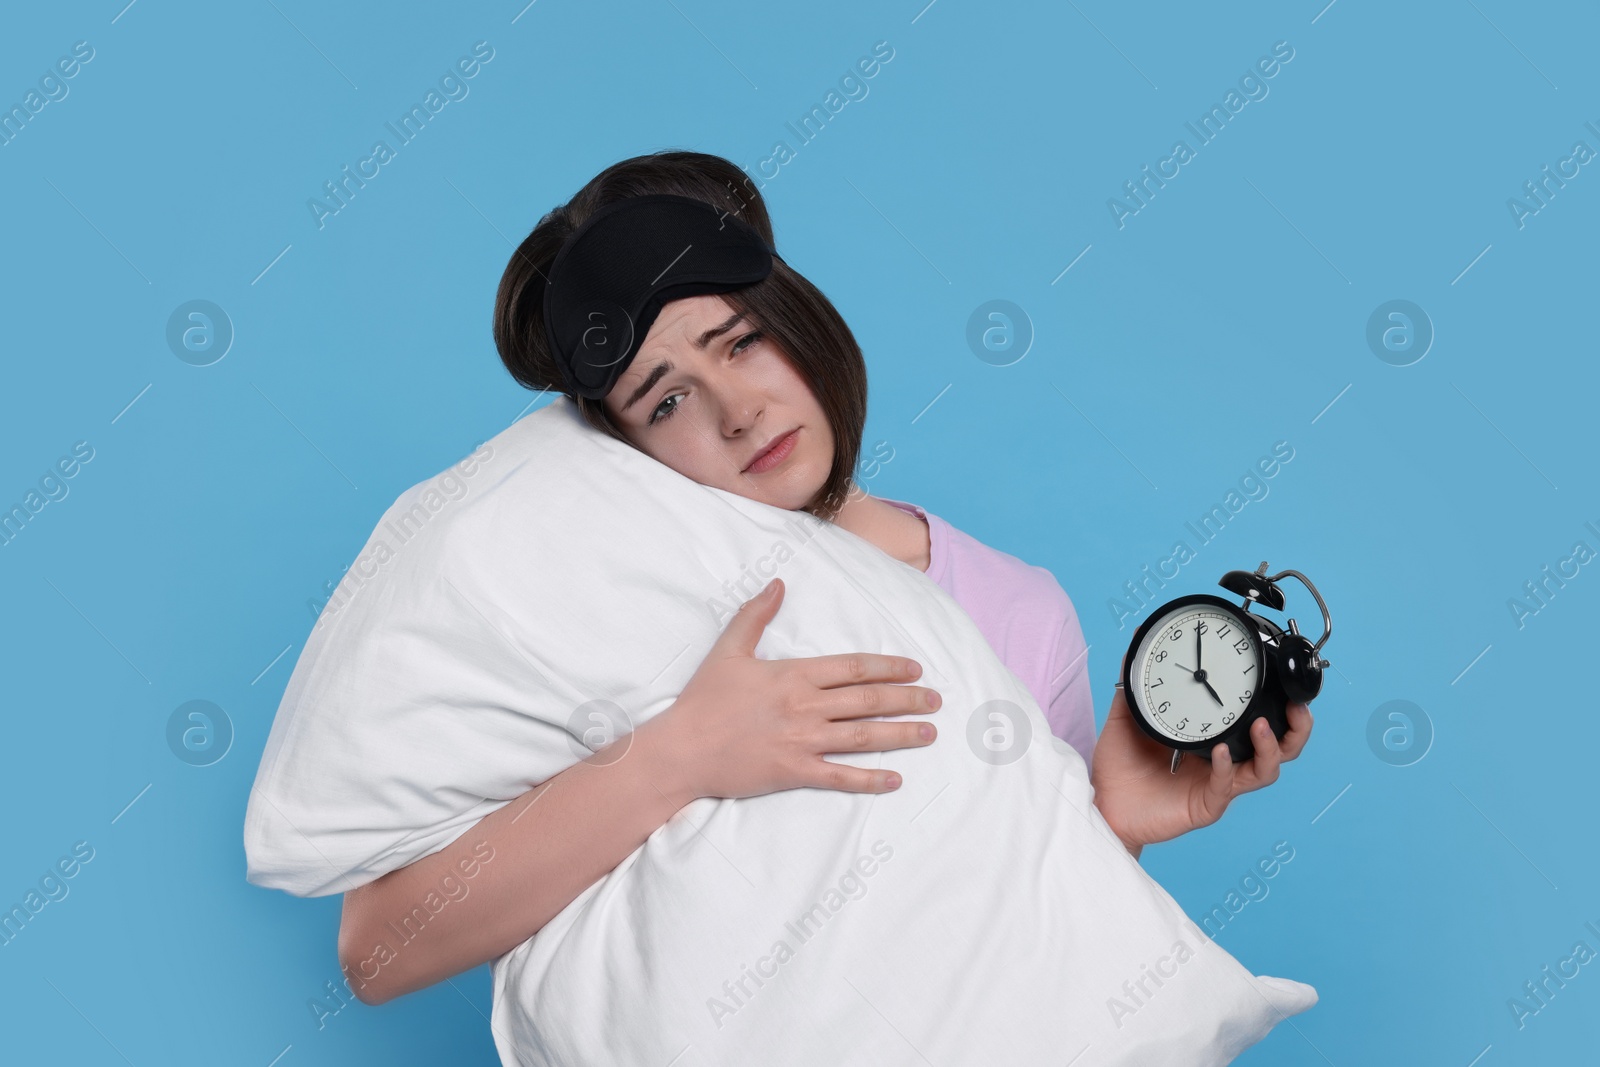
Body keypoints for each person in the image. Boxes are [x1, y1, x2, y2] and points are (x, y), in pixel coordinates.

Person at [337, 149, 1313, 1007]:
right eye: (666, 396)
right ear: (614, 441)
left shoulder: (1015, 609)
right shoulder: (593, 606)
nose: (737, 410)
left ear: (792, 315)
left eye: (740, 342)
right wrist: (681, 751)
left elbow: (1026, 986)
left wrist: (1115, 835)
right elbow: (378, 949)